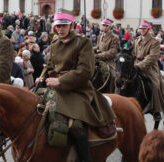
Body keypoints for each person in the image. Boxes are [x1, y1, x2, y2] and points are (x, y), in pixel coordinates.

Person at [36, 9, 115, 162]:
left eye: (64, 26)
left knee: (75, 126)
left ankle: (86, 158)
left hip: (78, 89)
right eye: (58, 26)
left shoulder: (82, 42)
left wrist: (61, 81)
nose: (60, 29)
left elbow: (86, 71)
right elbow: (50, 65)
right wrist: (41, 76)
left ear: (71, 25)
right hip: (55, 87)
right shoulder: (54, 43)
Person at [133, 20, 164, 124]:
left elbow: (152, 57)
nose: (141, 30)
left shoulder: (154, 42)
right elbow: (133, 53)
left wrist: (139, 66)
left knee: (155, 85)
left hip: (149, 68)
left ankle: (156, 110)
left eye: (144, 28)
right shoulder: (136, 40)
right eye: (140, 28)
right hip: (136, 64)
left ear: (148, 30)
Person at [94, 18, 120, 93]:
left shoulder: (114, 37)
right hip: (99, 59)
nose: (104, 27)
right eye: (103, 25)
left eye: (106, 26)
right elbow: (98, 47)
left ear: (109, 27)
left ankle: (113, 93)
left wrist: (99, 55)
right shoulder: (100, 36)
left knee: (114, 76)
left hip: (109, 61)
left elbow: (113, 52)